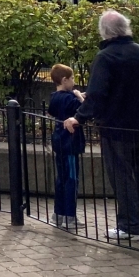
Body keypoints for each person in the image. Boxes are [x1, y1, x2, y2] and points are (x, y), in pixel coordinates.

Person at [64, 10, 139, 242]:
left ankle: (130, 225)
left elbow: (98, 93)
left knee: (122, 175)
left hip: (115, 125)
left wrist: (79, 117)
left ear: (105, 32)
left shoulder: (106, 57)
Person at [47, 64, 86, 229]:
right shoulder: (70, 99)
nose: (74, 82)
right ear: (64, 80)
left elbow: (53, 111)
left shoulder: (55, 97)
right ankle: (70, 216)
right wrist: (79, 97)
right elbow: (85, 109)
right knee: (72, 179)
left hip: (59, 142)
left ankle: (58, 213)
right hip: (70, 143)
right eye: (72, 78)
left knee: (61, 178)